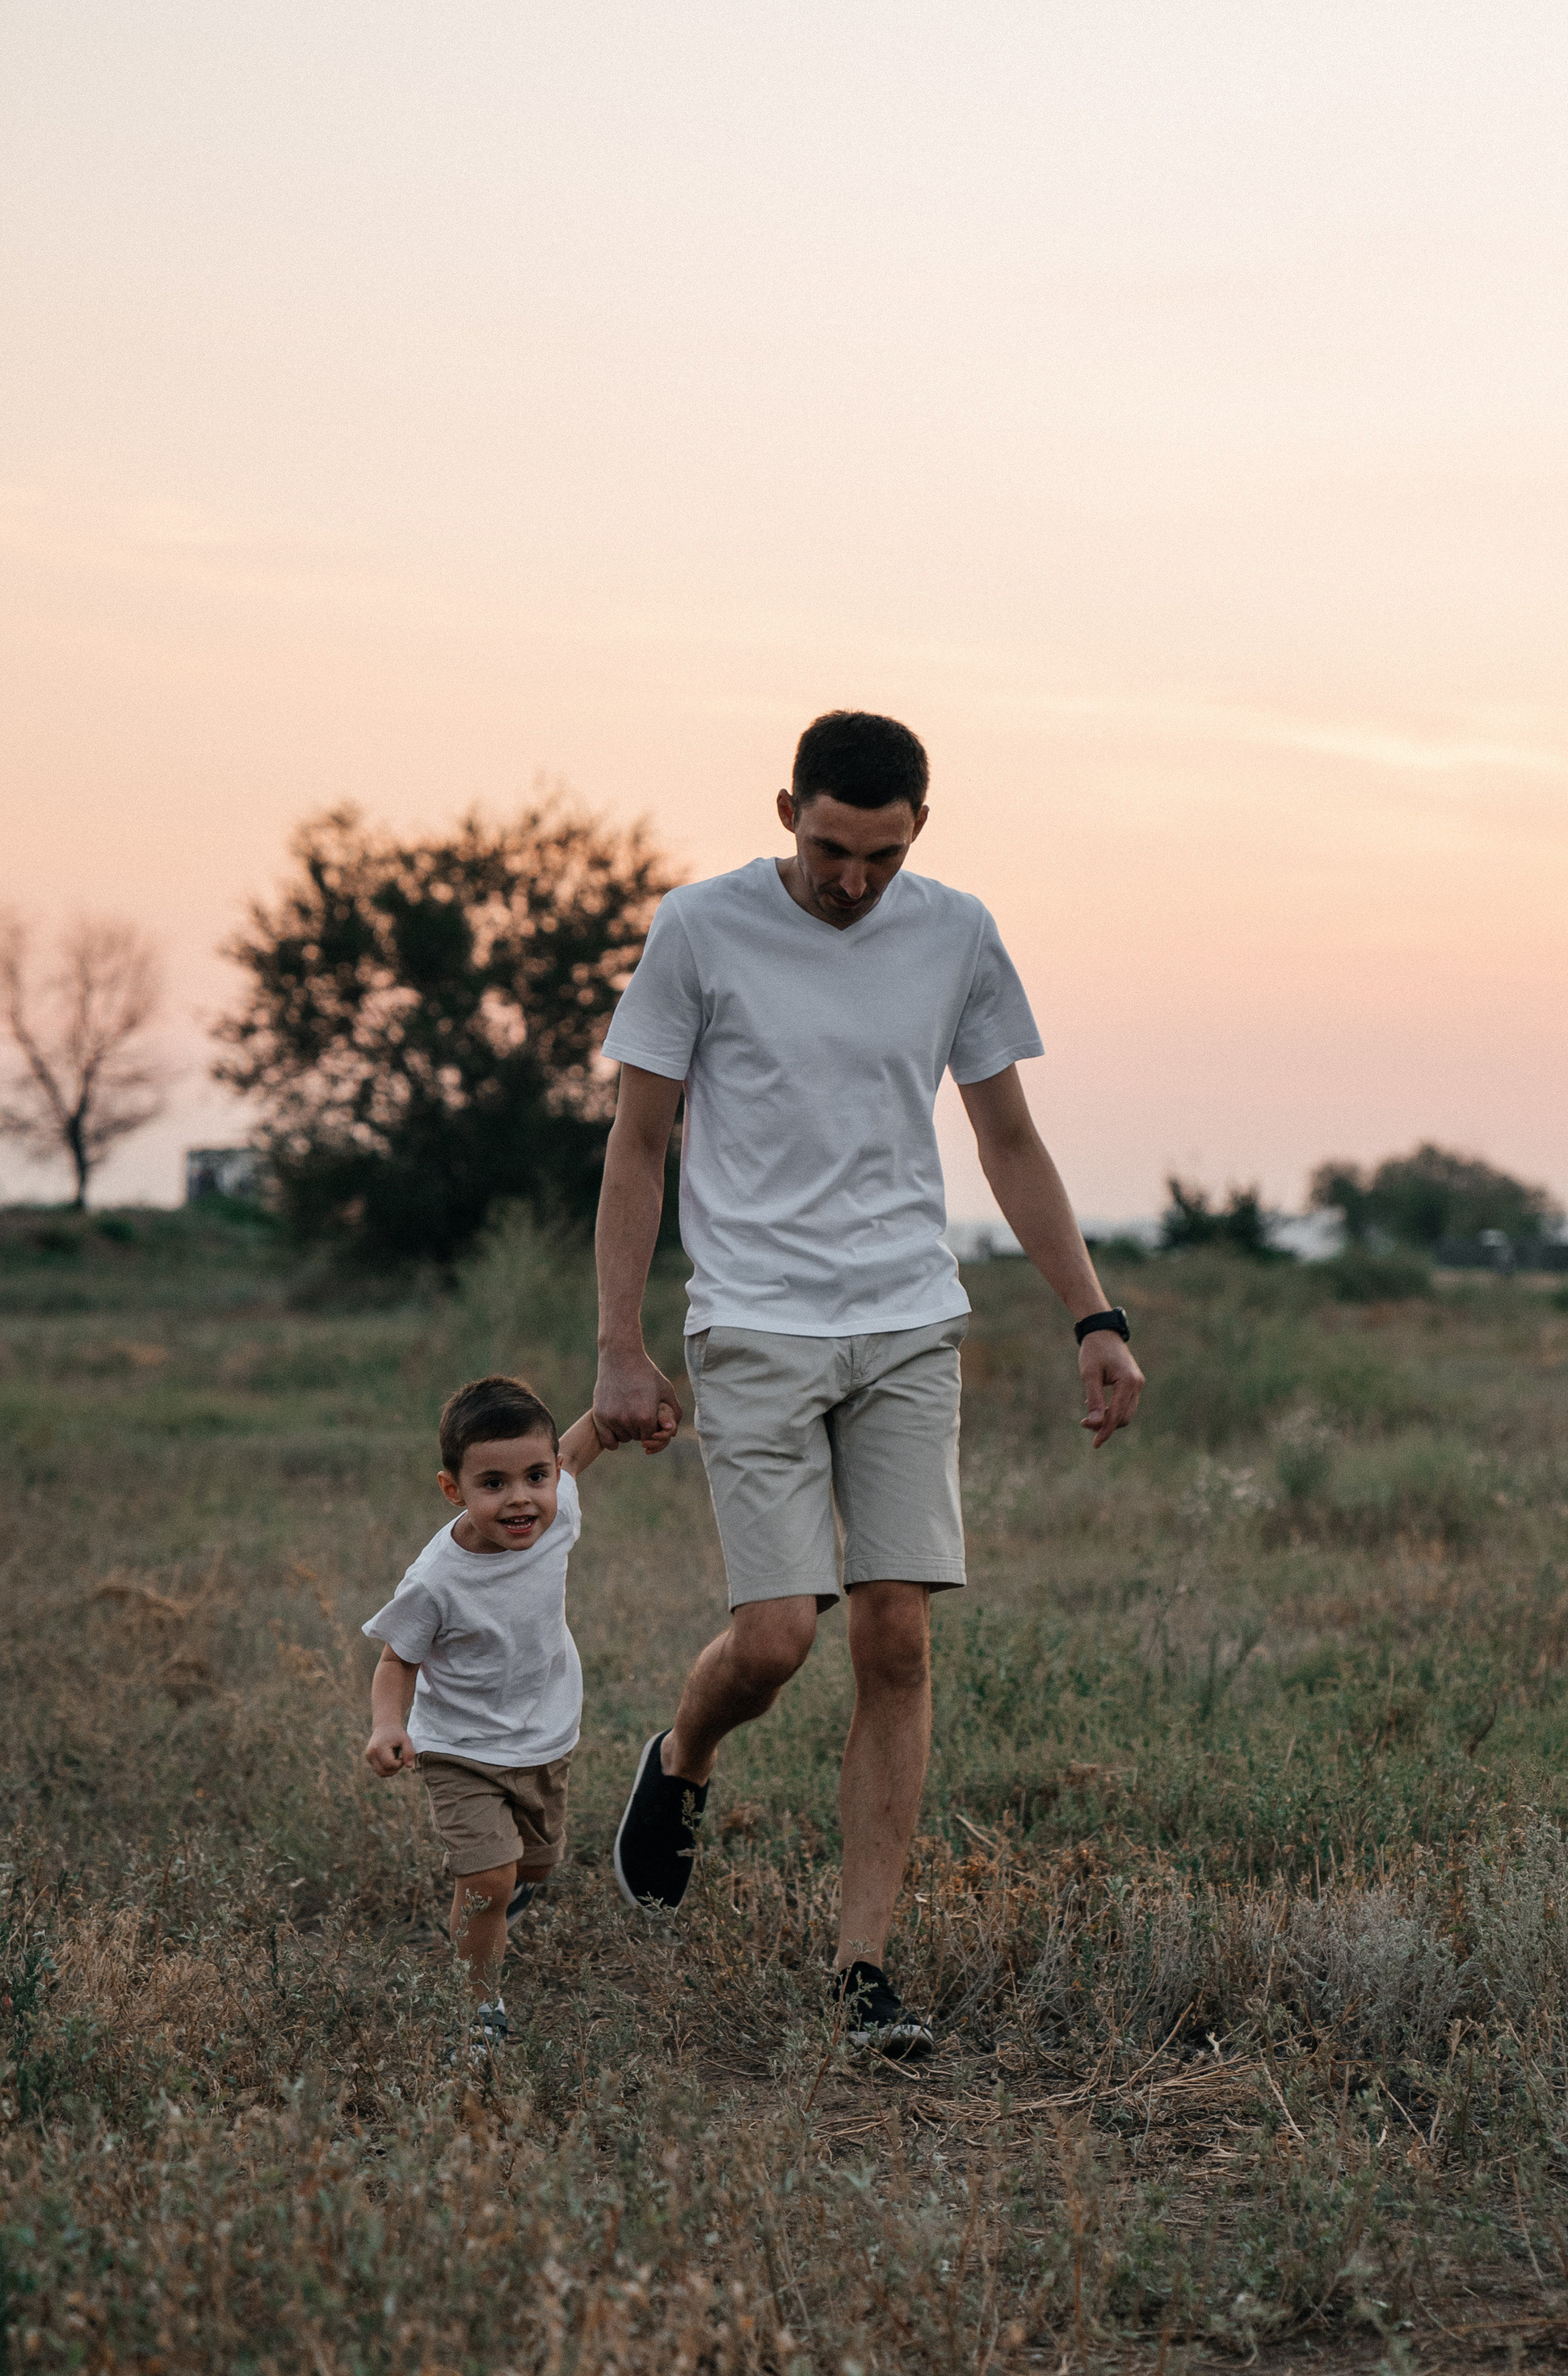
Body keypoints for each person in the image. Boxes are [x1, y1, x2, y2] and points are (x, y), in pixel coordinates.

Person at [592, 708, 1145, 2060]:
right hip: (756, 1322)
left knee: (894, 1630)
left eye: (882, 857)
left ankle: (863, 1968)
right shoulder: (699, 928)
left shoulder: (955, 931)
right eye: (833, 848)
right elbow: (638, 1147)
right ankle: (682, 1756)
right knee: (777, 1634)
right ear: (787, 808)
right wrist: (621, 1342)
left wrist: (1095, 1314)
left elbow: (1007, 1134)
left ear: (920, 834)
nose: (853, 881)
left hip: (907, 1319)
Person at [362, 1371, 673, 2061]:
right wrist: (389, 1725)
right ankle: (476, 2009)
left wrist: (638, 1399)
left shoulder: (554, 1510)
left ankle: (504, 1898)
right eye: (493, 1485)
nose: (521, 1500)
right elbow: (395, 1662)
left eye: (536, 1476)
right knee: (487, 1880)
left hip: (545, 1737)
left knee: (532, 1868)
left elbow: (586, 1440)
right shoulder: (436, 1580)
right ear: (455, 1491)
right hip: (459, 1748)